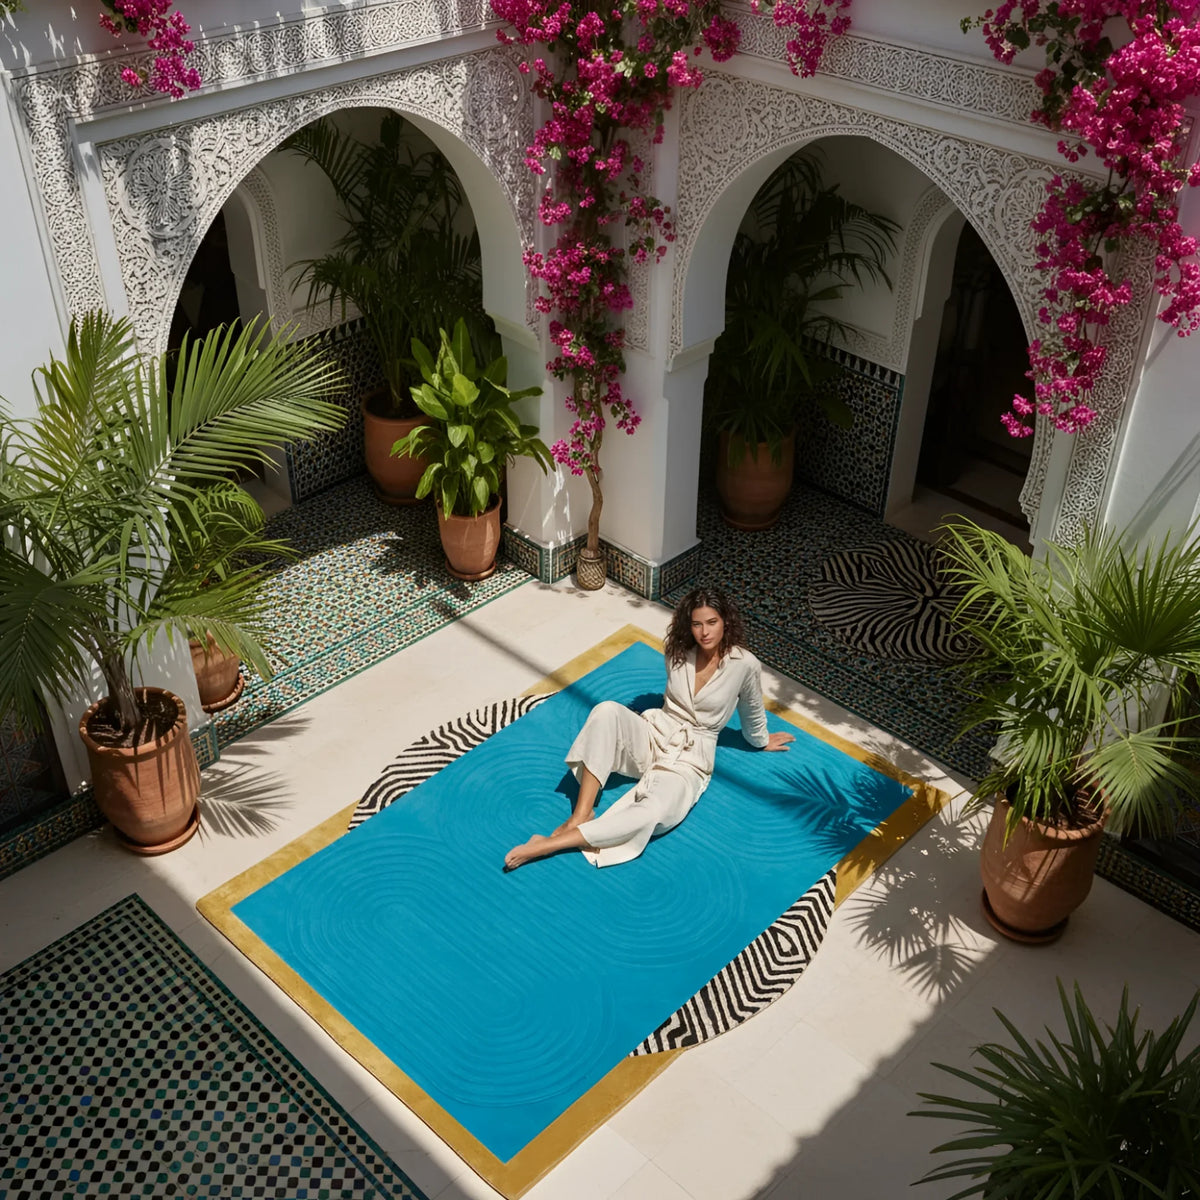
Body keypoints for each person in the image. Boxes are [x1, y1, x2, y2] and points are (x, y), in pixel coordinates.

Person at [503, 587, 794, 871]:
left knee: (654, 813)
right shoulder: (678, 651)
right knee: (606, 711)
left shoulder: (744, 665)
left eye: (712, 622)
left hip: (690, 759)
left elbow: (752, 709)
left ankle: (550, 844)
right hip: (655, 732)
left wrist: (760, 740)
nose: (704, 632)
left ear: (726, 621)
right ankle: (581, 813)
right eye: (696, 624)